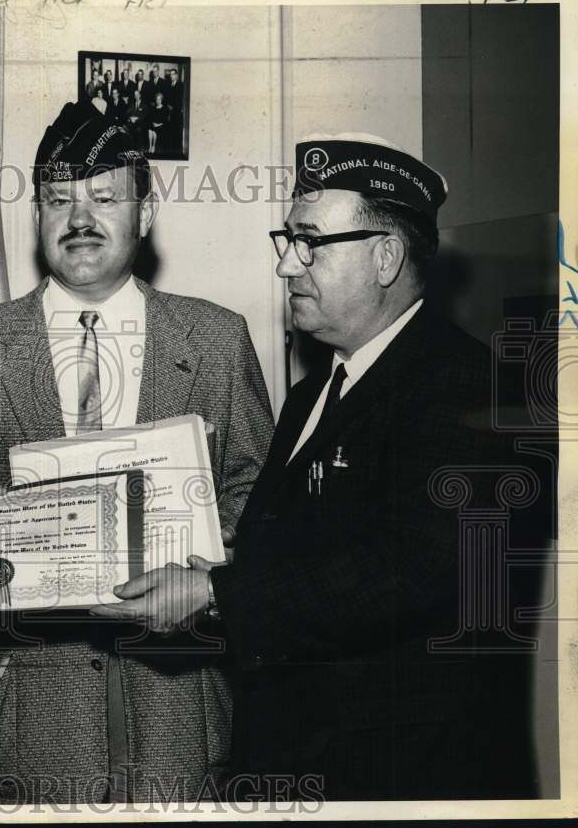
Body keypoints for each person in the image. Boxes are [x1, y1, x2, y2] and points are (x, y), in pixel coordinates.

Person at [93, 134, 541, 800]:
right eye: (288, 241)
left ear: (386, 256)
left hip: (404, 776)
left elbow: (414, 571)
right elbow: (309, 543)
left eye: (310, 243)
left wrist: (218, 594)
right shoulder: (316, 390)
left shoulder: (470, 387)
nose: (286, 268)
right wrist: (218, 569)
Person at [0, 100, 274, 803]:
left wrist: (205, 564)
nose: (79, 219)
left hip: (181, 704)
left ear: (144, 212)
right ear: (38, 215)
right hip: (25, 710)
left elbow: (257, 498)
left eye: (104, 197)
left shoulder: (218, 340)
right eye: (58, 200)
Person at [146, 90, 169, 154]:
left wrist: (158, 124)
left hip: (161, 125)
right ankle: (150, 146)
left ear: (162, 100)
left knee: (154, 131)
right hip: (154, 124)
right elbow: (151, 118)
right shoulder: (154, 108)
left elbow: (165, 120)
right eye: (157, 99)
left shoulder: (165, 108)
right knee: (150, 130)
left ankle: (154, 146)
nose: (158, 101)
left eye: (159, 99)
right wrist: (153, 123)